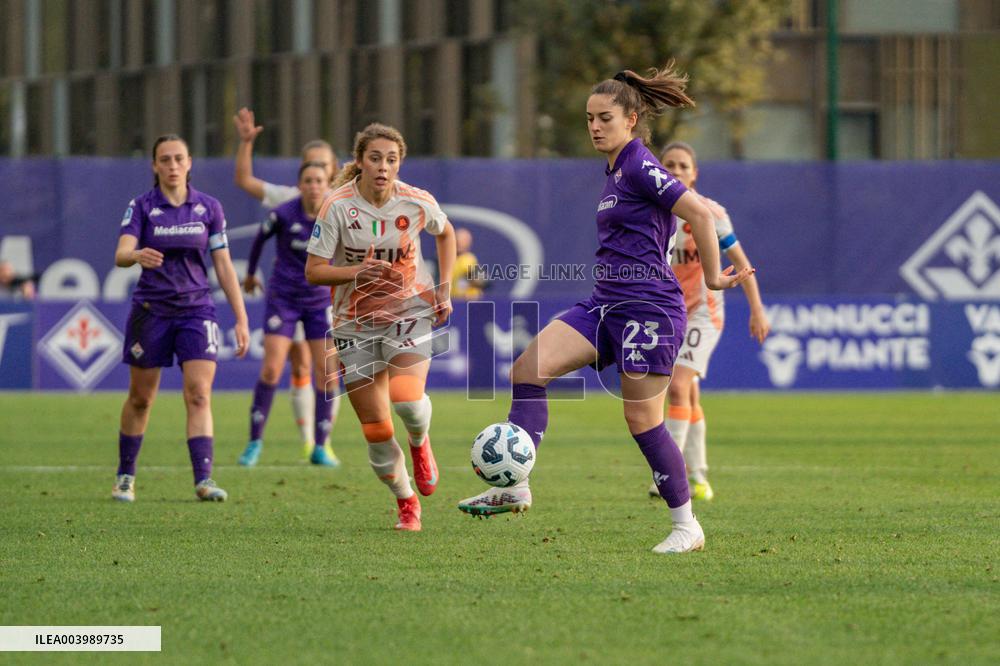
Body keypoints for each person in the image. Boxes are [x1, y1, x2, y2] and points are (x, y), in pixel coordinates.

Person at [456, 64, 753, 554]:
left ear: (631, 120)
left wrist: (715, 277)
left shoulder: (638, 164)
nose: (594, 126)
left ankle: (687, 526)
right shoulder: (616, 169)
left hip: (649, 308)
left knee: (643, 420)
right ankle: (515, 486)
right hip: (605, 303)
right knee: (527, 370)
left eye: (605, 118)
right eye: (589, 118)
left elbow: (699, 213)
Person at [305, 123, 456, 532]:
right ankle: (406, 501)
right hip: (354, 323)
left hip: (408, 310)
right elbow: (314, 271)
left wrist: (444, 288)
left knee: (406, 400)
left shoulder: (416, 201)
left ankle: (420, 442)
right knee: (376, 428)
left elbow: (446, 233)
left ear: (399, 164)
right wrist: (356, 271)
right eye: (375, 158)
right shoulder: (337, 206)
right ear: (360, 162)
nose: (383, 167)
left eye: (391, 159)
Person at [112, 134, 250, 503]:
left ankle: (204, 479)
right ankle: (125, 476)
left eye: (178, 158)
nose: (172, 165)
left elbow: (223, 265)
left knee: (199, 394)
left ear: (189, 163)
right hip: (151, 311)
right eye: (165, 159)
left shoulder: (208, 207)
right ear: (154, 166)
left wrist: (241, 317)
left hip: (197, 309)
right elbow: (121, 254)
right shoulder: (142, 206)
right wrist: (137, 254)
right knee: (141, 399)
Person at [645, 141, 770, 501]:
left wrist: (757, 308)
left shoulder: (710, 213)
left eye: (683, 165)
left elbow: (741, 262)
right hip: (669, 312)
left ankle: (668, 476)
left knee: (678, 385)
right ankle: (699, 477)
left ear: (694, 173)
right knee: (689, 394)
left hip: (705, 313)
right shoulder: (652, 212)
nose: (676, 170)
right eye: (669, 165)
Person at [233, 107, 341, 458]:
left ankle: (320, 443)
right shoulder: (285, 200)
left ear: (333, 171)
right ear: (301, 177)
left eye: (322, 168)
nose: (315, 178)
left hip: (320, 297)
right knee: (286, 365)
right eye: (309, 168)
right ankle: (275, 439)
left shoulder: (342, 204)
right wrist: (246, 143)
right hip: (286, 294)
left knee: (323, 369)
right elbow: (245, 181)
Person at [450, 227, 487, 300]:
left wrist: (472, 276)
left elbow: (482, 281)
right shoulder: (445, 259)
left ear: (468, 242)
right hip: (452, 300)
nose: (459, 242)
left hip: (467, 301)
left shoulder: (469, 259)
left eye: (463, 240)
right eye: (457, 239)